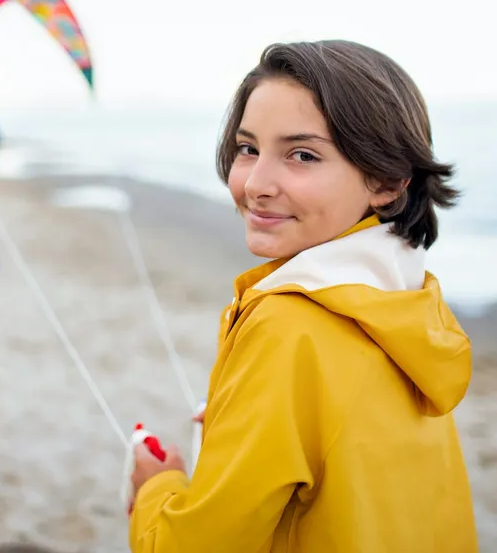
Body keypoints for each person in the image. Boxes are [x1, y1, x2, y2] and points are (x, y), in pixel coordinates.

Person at [128, 41, 477, 551]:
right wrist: (255, 423)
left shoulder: (286, 327)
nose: (256, 184)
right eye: (248, 149)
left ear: (385, 180)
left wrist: (157, 487)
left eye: (303, 155)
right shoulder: (409, 301)